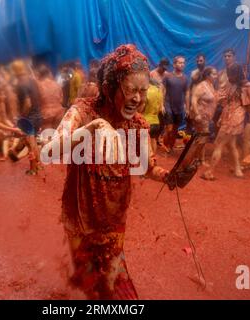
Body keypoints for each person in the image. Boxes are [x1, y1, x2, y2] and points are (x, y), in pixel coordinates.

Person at [44, 44, 171, 300]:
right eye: (130, 90)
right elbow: (49, 150)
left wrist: (168, 176)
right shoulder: (83, 111)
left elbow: (147, 169)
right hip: (79, 217)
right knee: (89, 283)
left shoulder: (138, 125)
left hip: (114, 220)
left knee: (109, 287)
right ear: (110, 86)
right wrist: (94, 127)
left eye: (143, 91)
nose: (137, 98)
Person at [202, 64, 250, 180]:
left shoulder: (247, 86)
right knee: (231, 145)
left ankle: (210, 172)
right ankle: (238, 170)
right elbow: (228, 103)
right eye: (228, 74)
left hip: (235, 119)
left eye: (231, 74)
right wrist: (222, 117)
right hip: (228, 117)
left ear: (237, 74)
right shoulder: (232, 84)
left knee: (219, 144)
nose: (228, 76)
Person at [11, 60, 43, 175]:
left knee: (30, 144)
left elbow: (27, 103)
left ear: (14, 70)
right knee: (33, 142)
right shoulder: (32, 80)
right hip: (38, 114)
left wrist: (22, 117)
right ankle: (38, 166)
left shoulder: (20, 84)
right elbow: (39, 95)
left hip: (30, 118)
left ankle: (33, 169)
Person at [189, 66, 218, 164]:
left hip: (207, 117)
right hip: (200, 116)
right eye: (214, 74)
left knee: (203, 138)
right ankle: (193, 159)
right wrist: (197, 114)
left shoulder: (211, 85)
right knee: (201, 138)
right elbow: (193, 99)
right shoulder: (202, 85)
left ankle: (199, 159)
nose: (216, 76)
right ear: (207, 75)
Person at [162, 56, 189, 153]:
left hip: (179, 107)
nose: (182, 64)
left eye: (183, 63)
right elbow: (163, 90)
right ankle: (165, 146)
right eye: (179, 62)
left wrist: (187, 107)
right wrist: (161, 104)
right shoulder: (167, 76)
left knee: (175, 130)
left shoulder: (185, 78)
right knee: (169, 129)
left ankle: (171, 146)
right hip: (168, 105)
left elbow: (186, 93)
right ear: (174, 64)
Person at [36, 65, 65, 130]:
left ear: (39, 75)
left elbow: (37, 102)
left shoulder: (38, 86)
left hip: (46, 114)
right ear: (48, 73)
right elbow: (61, 100)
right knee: (58, 136)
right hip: (59, 112)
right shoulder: (56, 84)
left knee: (48, 137)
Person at [142, 78, 165, 155]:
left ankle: (147, 161)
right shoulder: (158, 91)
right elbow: (160, 108)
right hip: (156, 121)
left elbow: (142, 107)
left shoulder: (146, 91)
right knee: (153, 140)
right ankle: (153, 159)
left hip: (146, 121)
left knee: (145, 143)